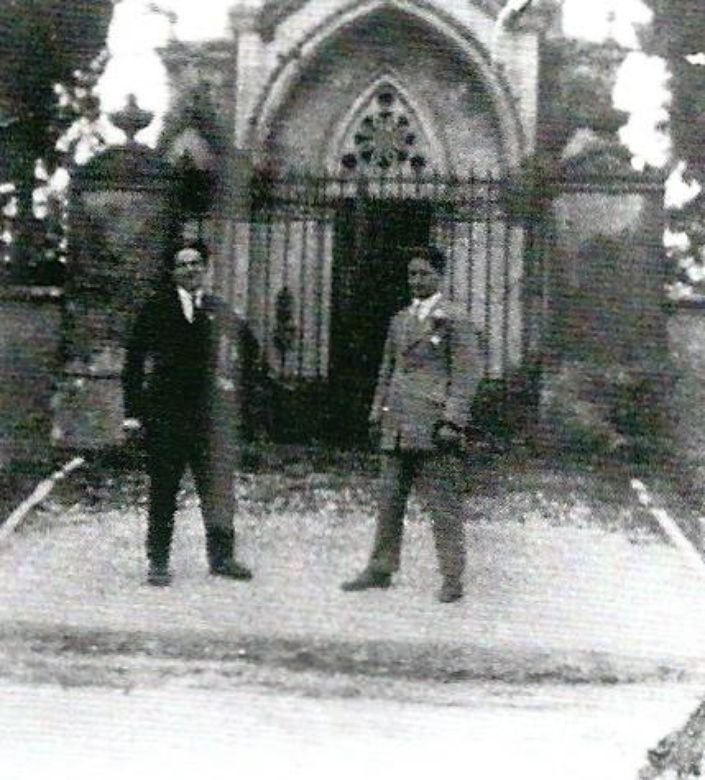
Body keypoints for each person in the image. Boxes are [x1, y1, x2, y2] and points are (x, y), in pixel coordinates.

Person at [341, 245, 482, 603]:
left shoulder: (454, 319)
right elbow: (388, 370)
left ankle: (452, 576)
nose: (416, 280)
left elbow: (466, 374)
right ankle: (380, 567)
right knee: (389, 501)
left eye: (423, 274)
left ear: (439, 276)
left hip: (434, 428)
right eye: (411, 275)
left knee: (443, 504)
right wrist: (377, 411)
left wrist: (453, 420)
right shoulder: (401, 319)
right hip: (397, 423)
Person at [122, 245, 257, 586]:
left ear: (205, 268)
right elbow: (134, 362)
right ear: (172, 272)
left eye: (196, 263)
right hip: (165, 415)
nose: (190, 270)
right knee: (164, 490)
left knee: (216, 489)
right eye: (182, 265)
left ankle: (222, 557)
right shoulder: (157, 309)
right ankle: (158, 561)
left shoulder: (215, 307)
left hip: (207, 418)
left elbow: (249, 346)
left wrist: (232, 385)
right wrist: (134, 413)